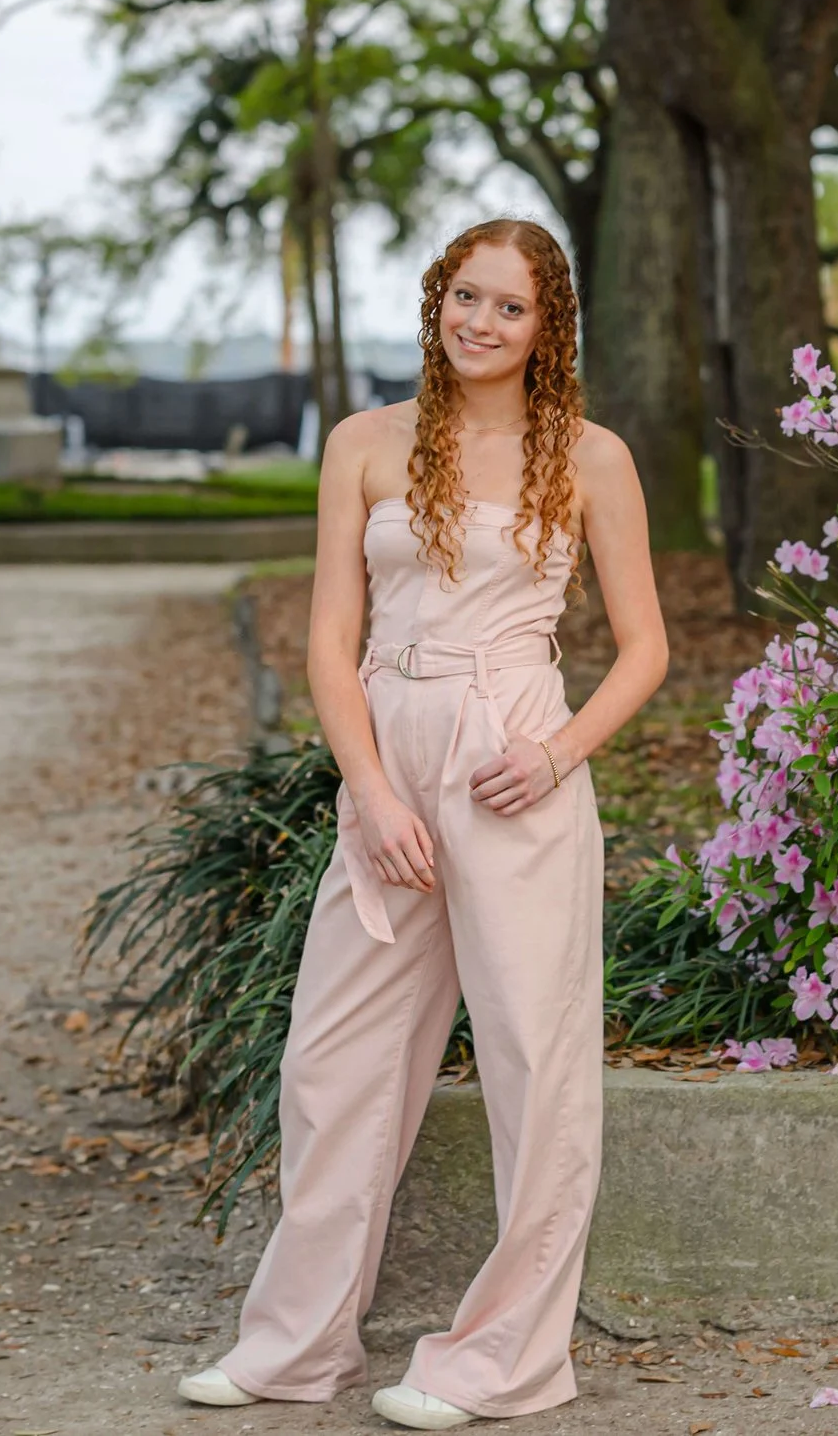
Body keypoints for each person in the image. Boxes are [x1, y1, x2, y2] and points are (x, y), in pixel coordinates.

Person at [176, 219, 668, 1429]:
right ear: (434, 301)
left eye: (510, 306)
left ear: (547, 326)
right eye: (464, 295)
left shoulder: (592, 457)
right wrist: (372, 791)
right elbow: (325, 645)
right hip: (389, 759)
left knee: (534, 1067)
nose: (480, 321)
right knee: (334, 1060)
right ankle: (294, 1343)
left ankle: (502, 1360)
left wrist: (554, 756)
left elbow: (648, 646)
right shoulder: (362, 444)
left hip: (513, 768)